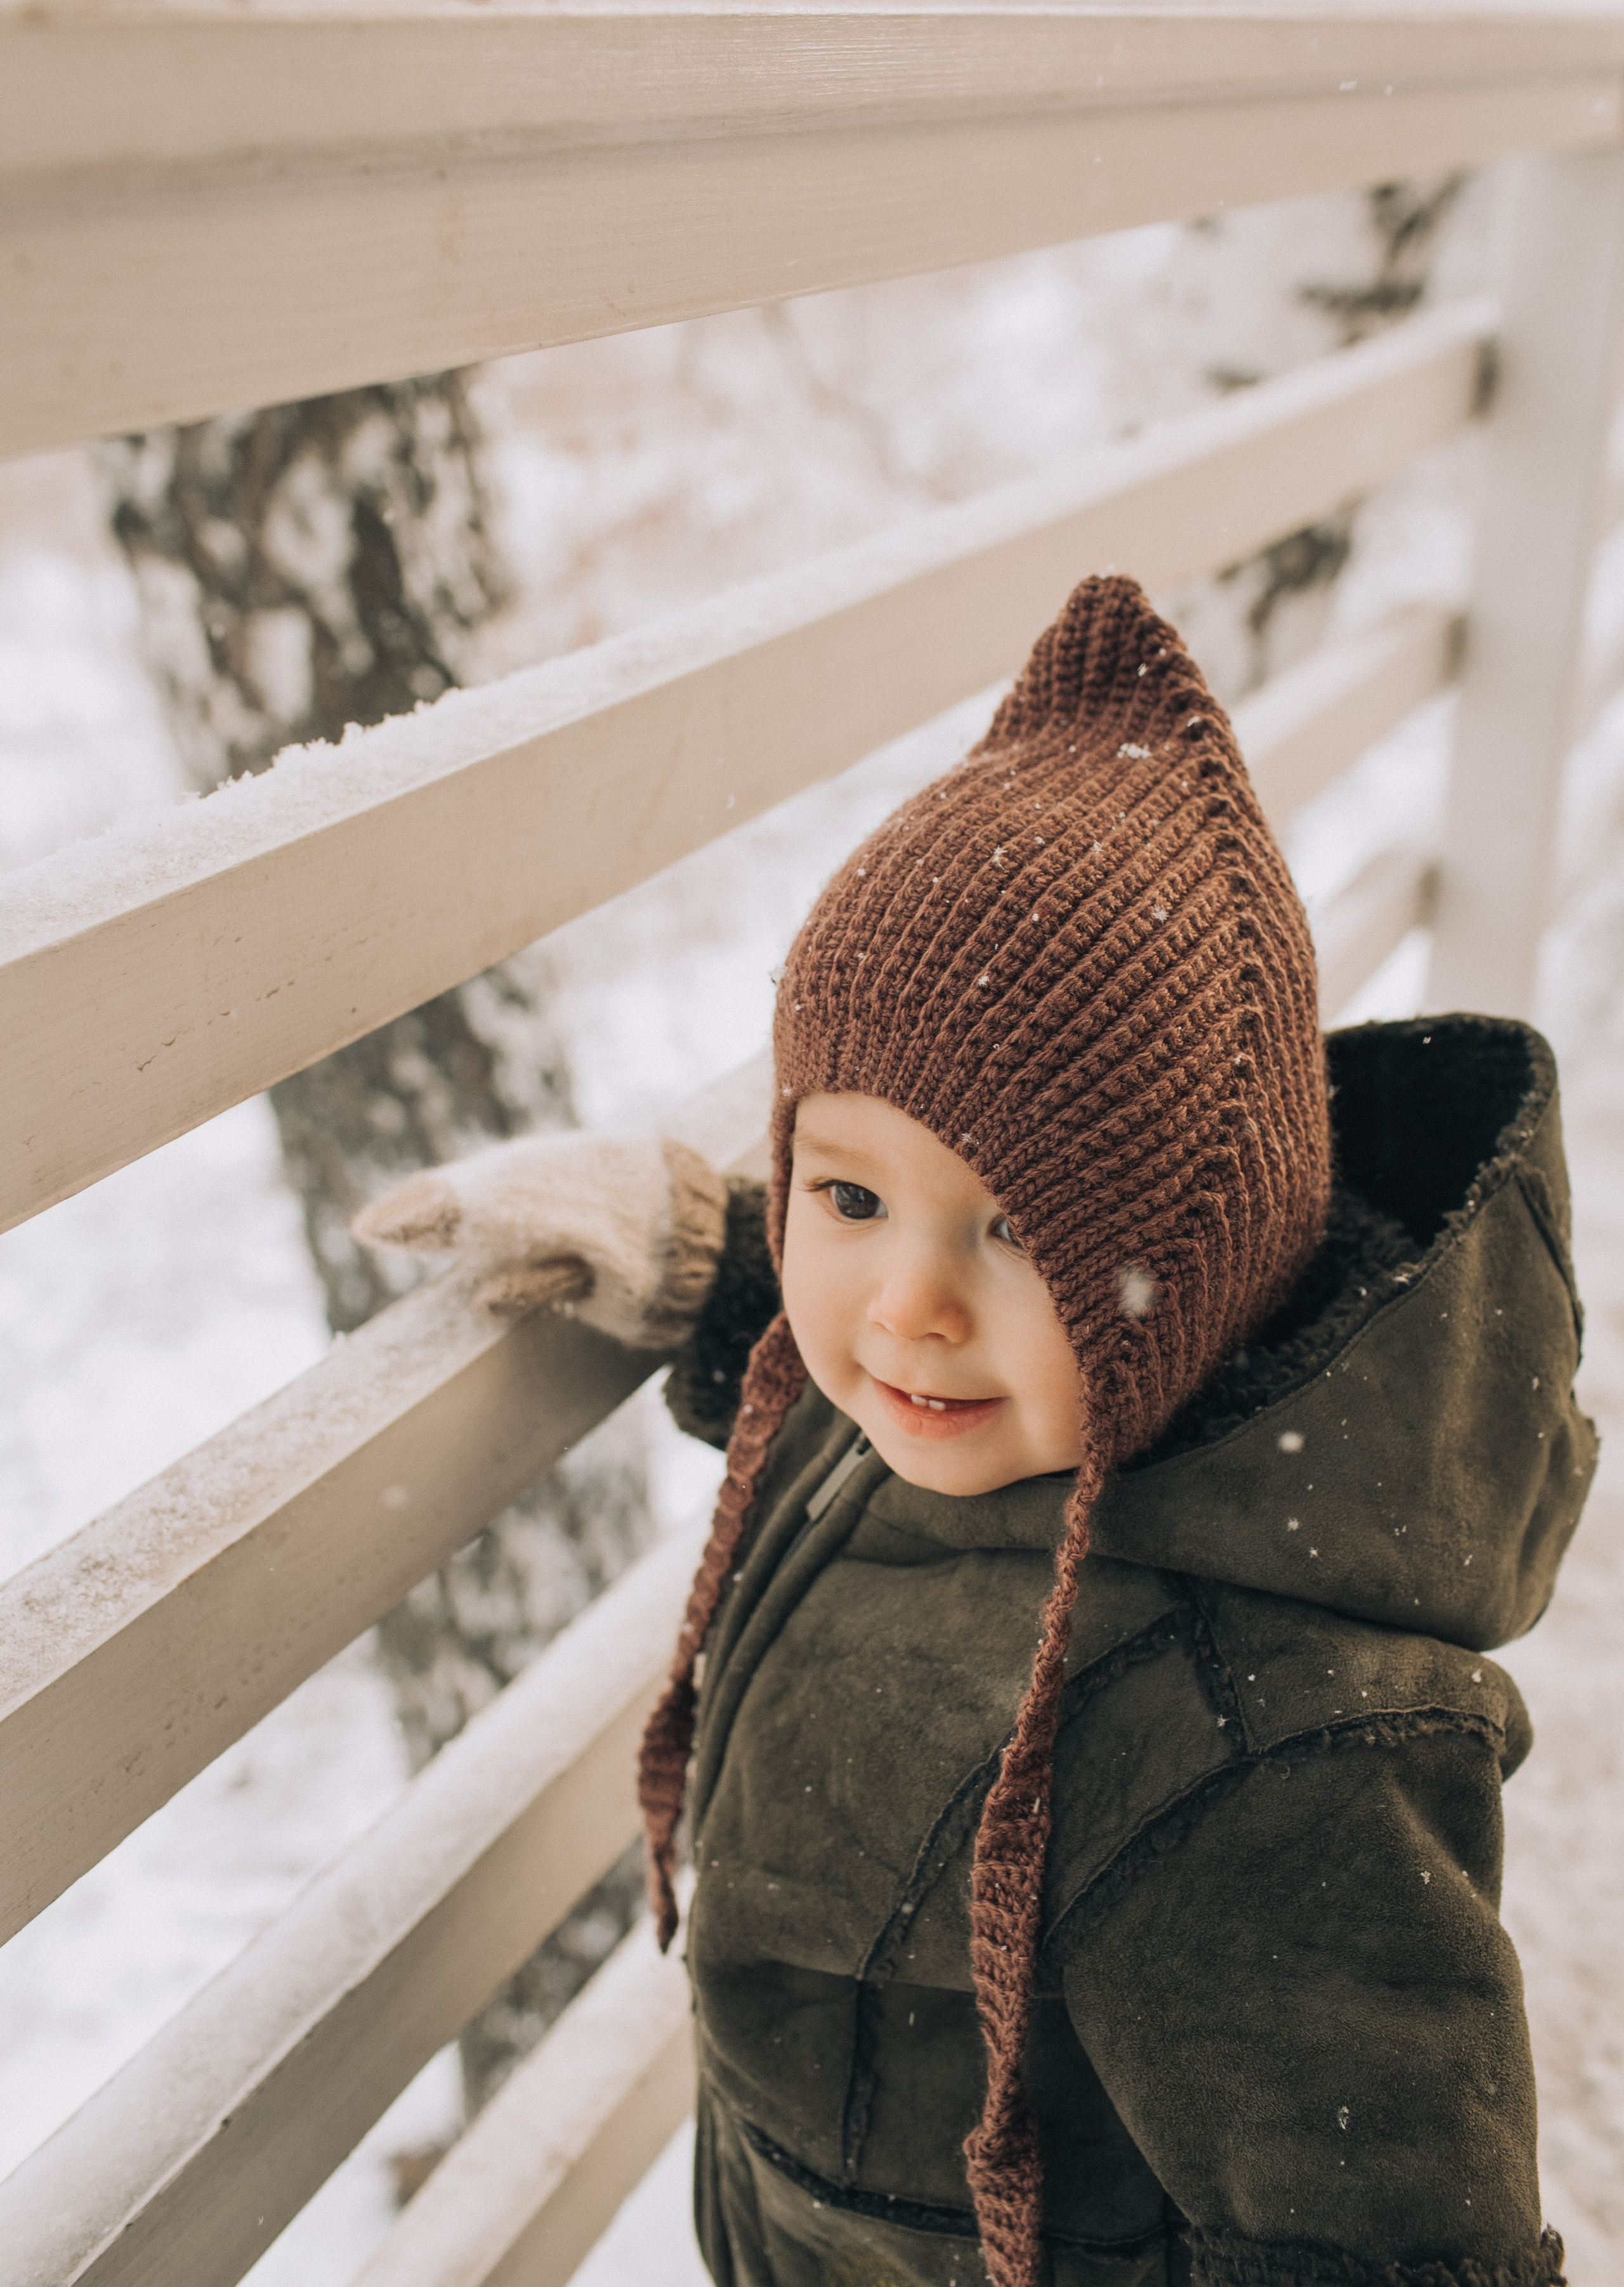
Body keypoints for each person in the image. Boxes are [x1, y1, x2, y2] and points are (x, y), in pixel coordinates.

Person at [357, 575, 1592, 2287]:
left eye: (1022, 1230)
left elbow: (1387, 2243)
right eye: (848, 1193)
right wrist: (702, 1257)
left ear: (1206, 1264)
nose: (905, 1308)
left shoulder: (1275, 1746)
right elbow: (836, 1376)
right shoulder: (966, 1411)